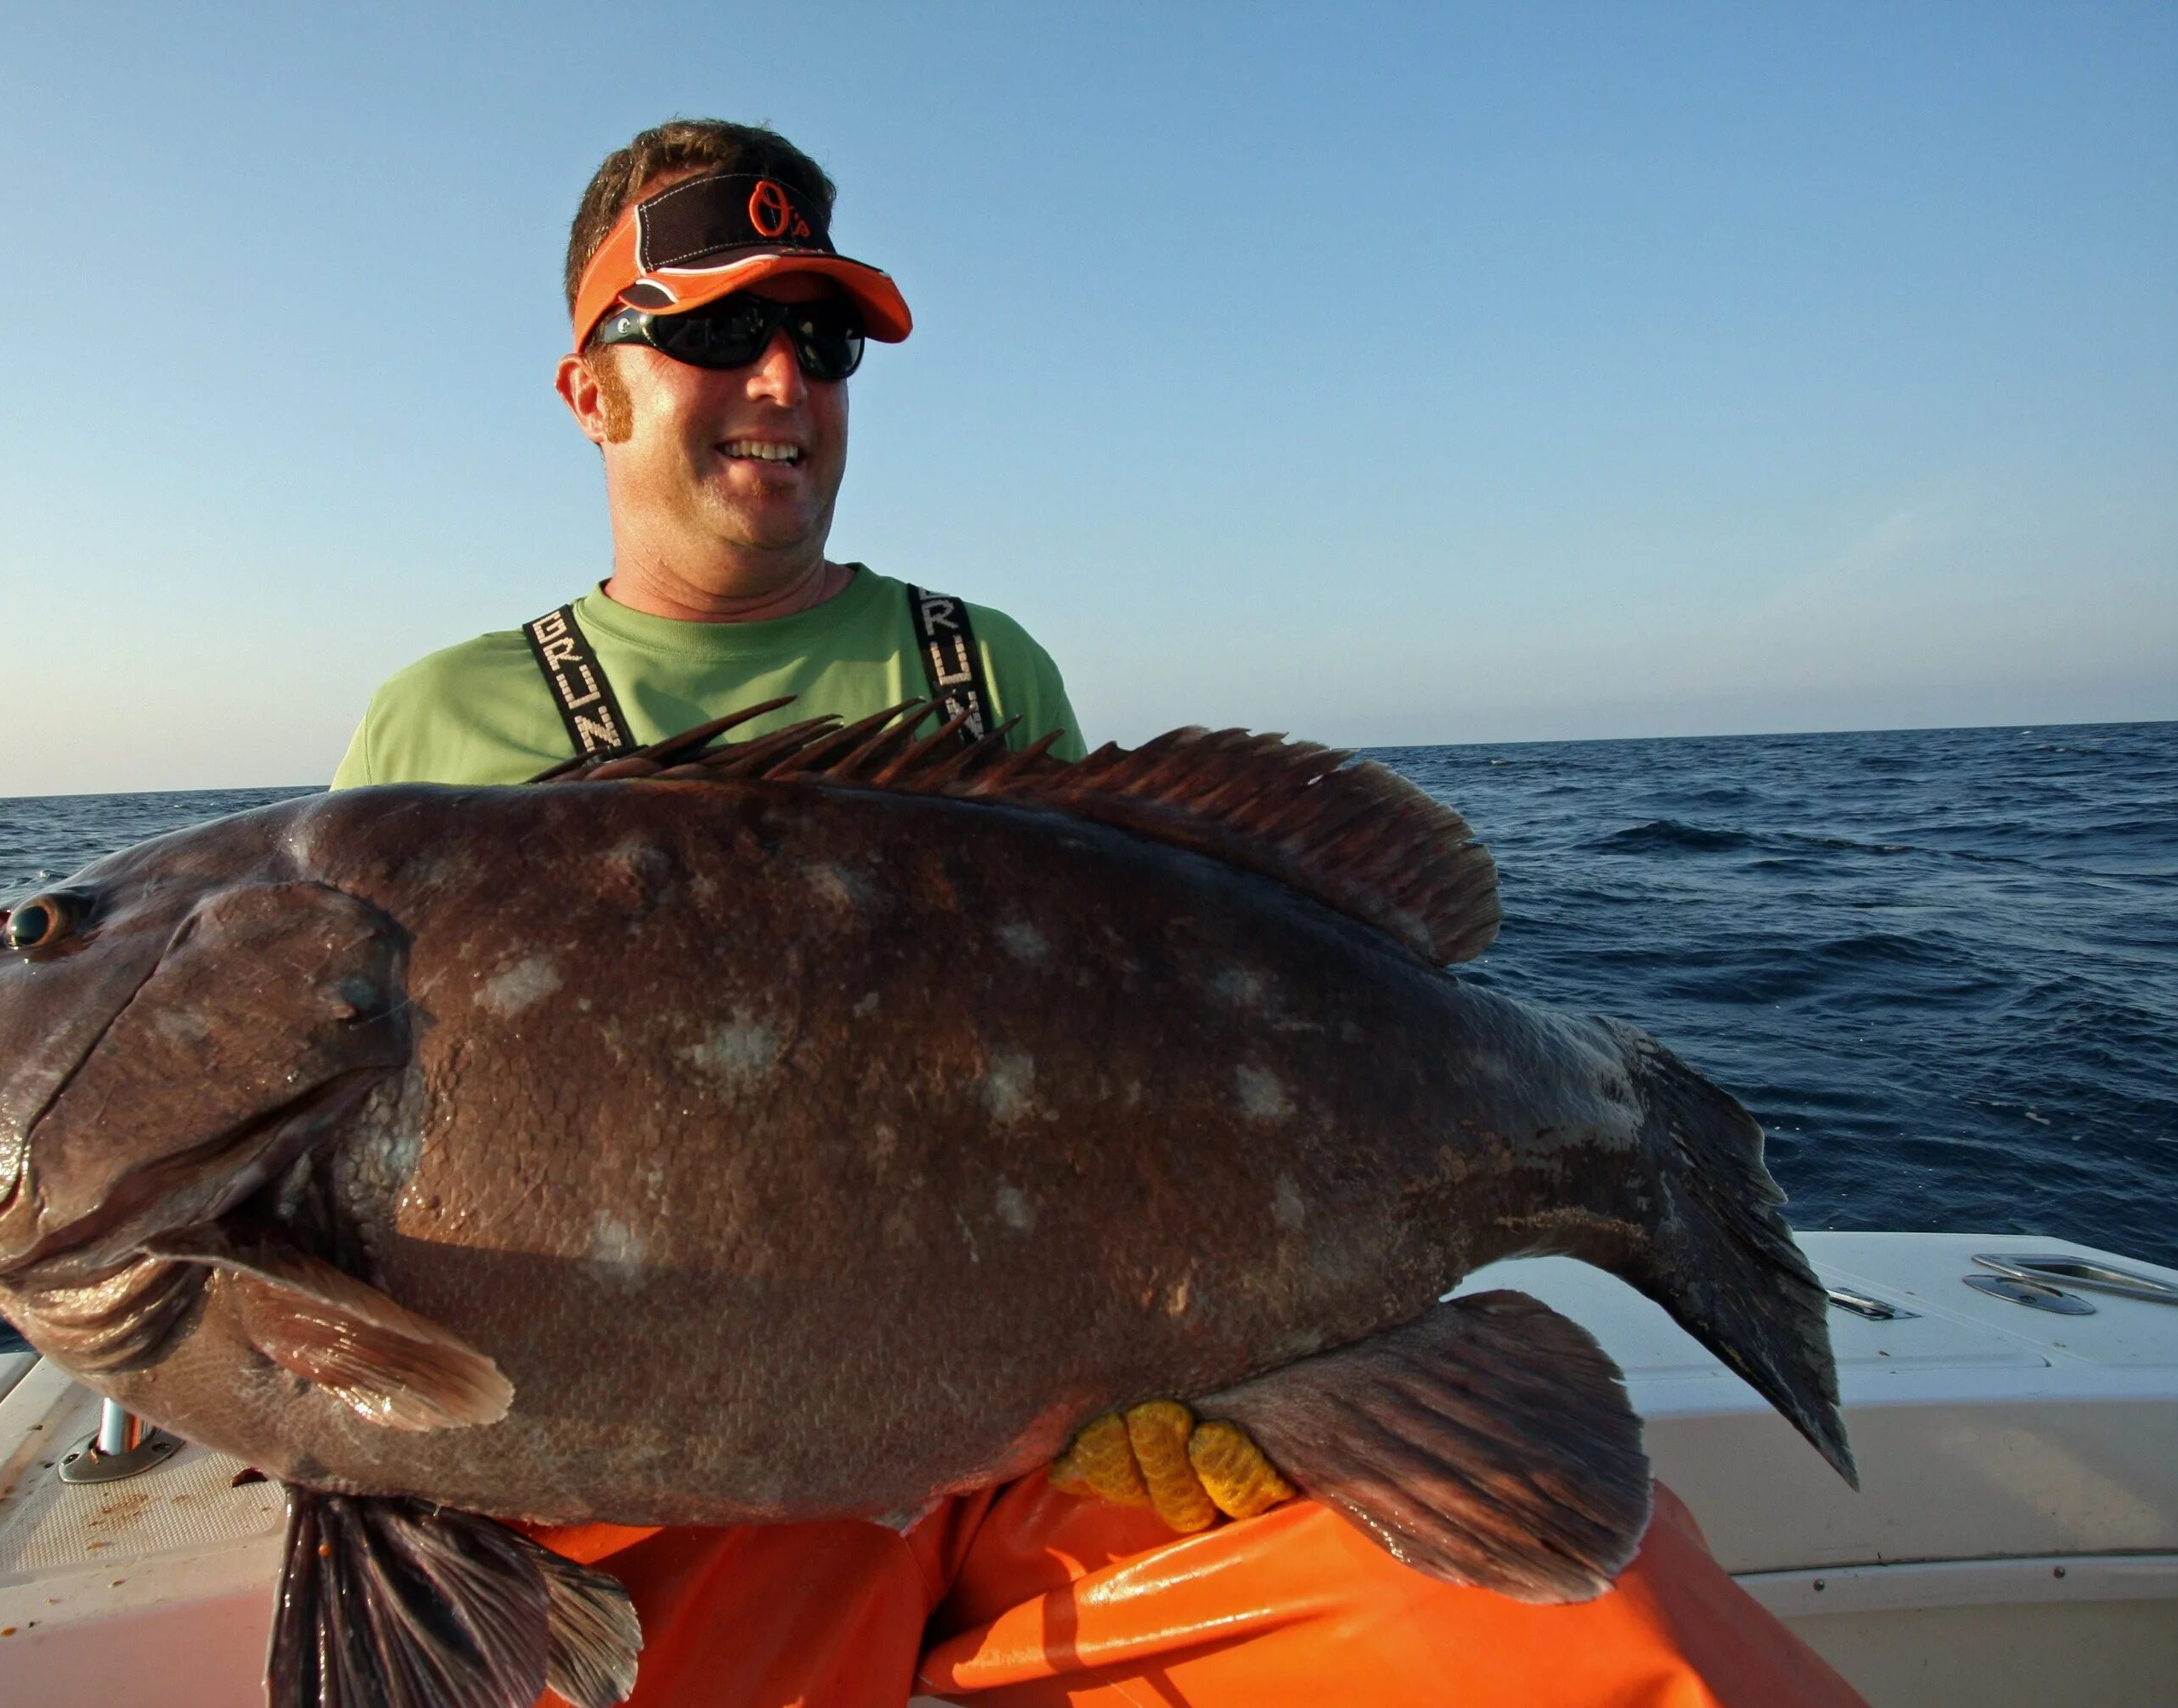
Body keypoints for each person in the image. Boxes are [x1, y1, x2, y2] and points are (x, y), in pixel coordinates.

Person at [332, 118, 1864, 1708]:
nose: (784, 384)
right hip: (660, 1460)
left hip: (1036, 1435)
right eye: (717, 332)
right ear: (589, 388)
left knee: (1607, 1644)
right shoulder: (440, 733)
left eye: (825, 337)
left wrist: (1225, 1369)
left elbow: (1132, 1052)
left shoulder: (981, 673)